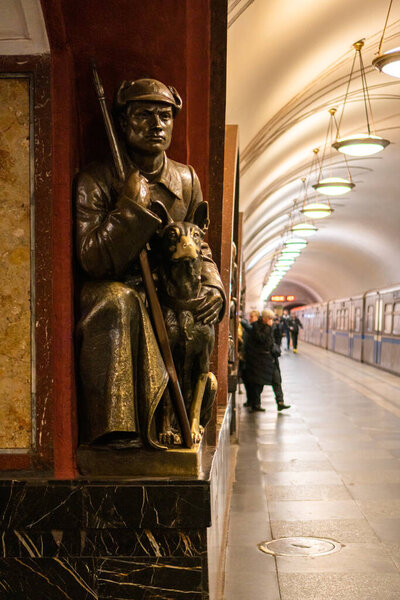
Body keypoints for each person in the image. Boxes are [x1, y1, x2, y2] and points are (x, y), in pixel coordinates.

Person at [75, 78, 225, 449]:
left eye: (165, 116)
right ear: (124, 123)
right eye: (144, 115)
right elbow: (92, 258)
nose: (157, 124)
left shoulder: (187, 180)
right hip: (120, 285)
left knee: (195, 323)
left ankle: (183, 422)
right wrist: (130, 209)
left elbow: (199, 245)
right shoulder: (95, 179)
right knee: (118, 301)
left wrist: (215, 285)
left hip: (167, 286)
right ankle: (118, 430)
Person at [242, 309, 290, 412]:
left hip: (271, 360)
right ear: (264, 318)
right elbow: (261, 338)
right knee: (258, 384)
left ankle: (280, 402)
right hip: (260, 361)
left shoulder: (271, 327)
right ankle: (256, 404)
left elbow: (274, 340)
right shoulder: (256, 326)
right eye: (270, 318)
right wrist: (269, 327)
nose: (271, 320)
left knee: (277, 380)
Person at [240, 310, 259, 406]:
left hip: (252, 359)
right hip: (247, 357)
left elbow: (250, 330)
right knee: (247, 380)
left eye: (252, 317)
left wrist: (241, 321)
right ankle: (250, 401)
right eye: (250, 316)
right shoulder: (251, 326)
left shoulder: (256, 327)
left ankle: (254, 402)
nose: (250, 318)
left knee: (252, 382)